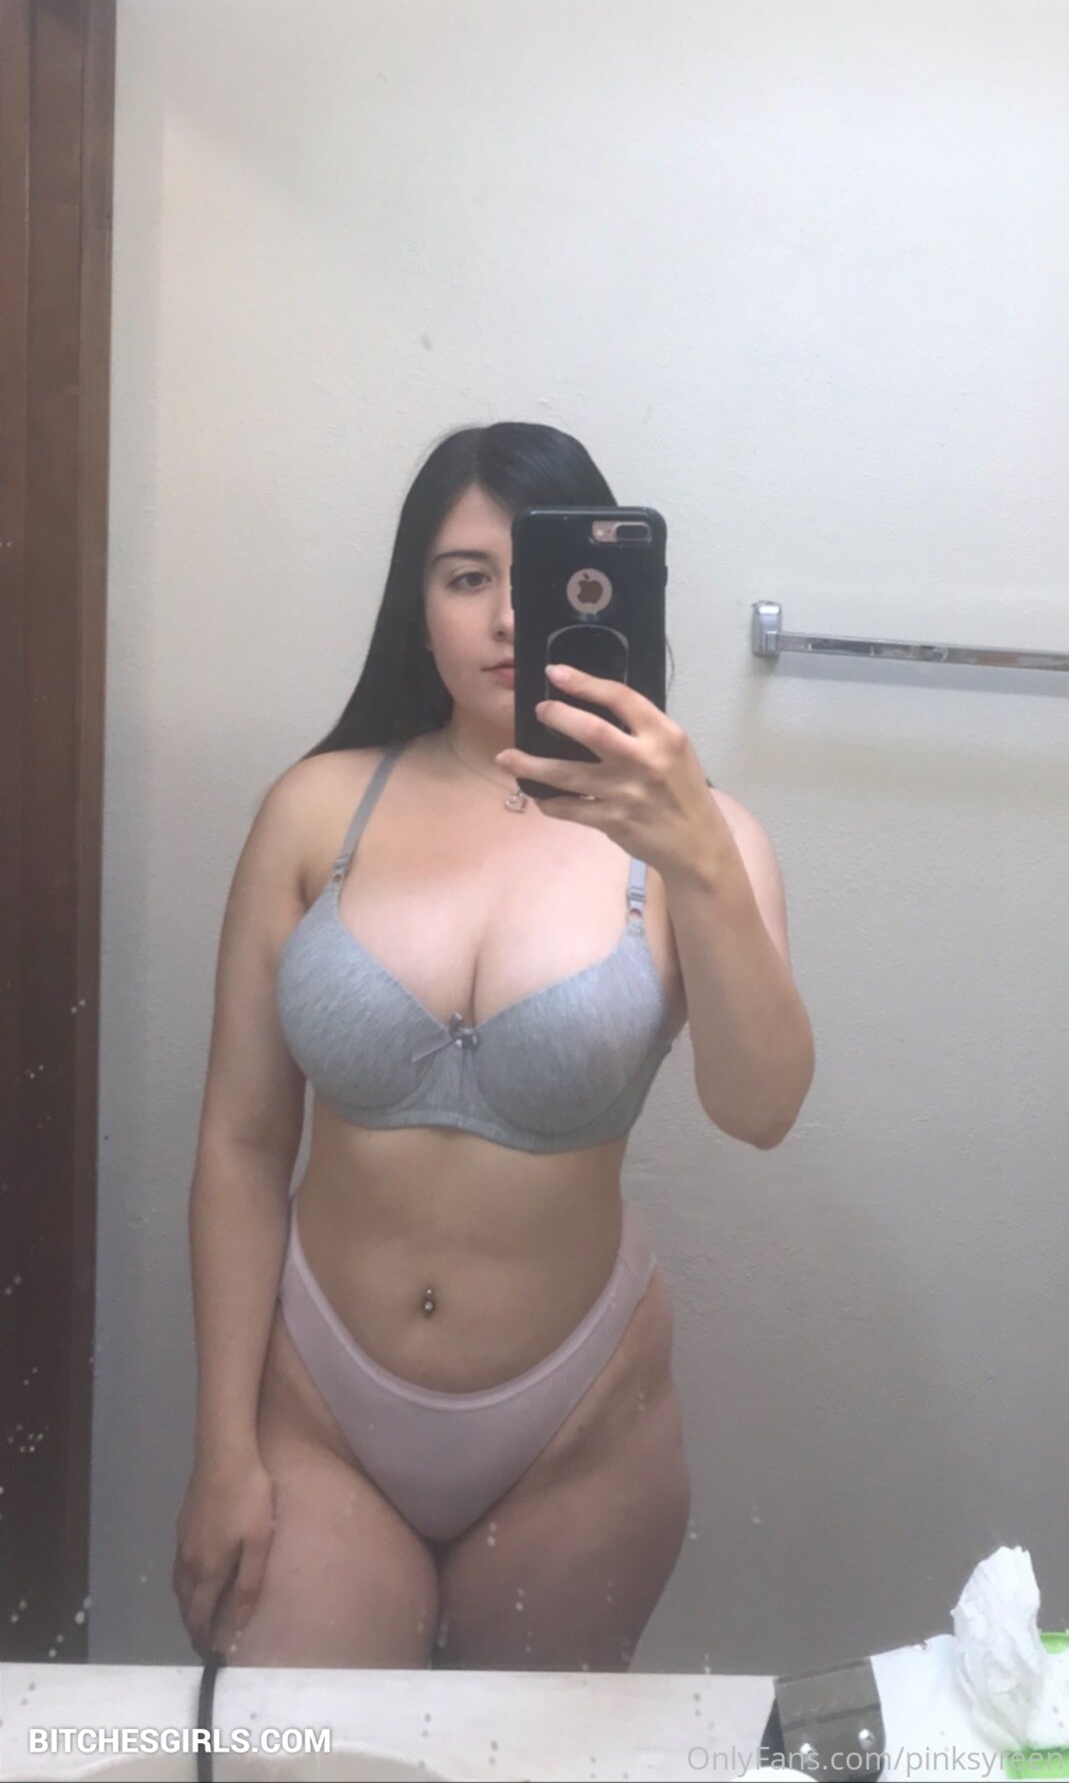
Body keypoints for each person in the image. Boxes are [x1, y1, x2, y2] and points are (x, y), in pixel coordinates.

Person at [172, 421, 805, 1672]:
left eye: (550, 578)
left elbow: (761, 1106)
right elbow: (241, 1142)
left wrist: (695, 856)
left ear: (613, 594)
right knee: (305, 1757)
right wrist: (222, 1447)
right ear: (416, 609)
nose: (510, 616)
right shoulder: (313, 809)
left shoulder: (703, 836)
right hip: (316, 1412)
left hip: (579, 1427)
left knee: (523, 1758)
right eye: (467, 577)